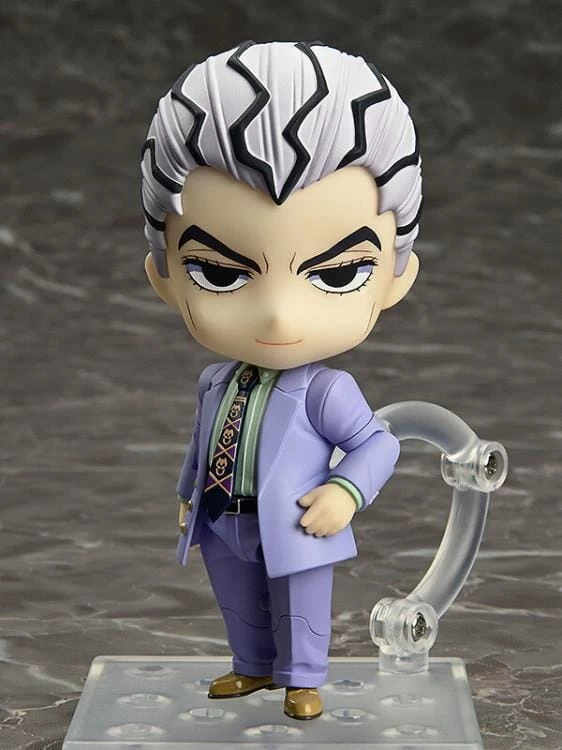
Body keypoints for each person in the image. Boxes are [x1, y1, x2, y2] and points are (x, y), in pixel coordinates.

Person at [140, 40, 422, 721]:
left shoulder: (326, 391)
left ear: (396, 277)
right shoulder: (214, 380)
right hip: (222, 516)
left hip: (296, 521)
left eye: (337, 273)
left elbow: (378, 442)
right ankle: (251, 665)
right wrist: (186, 494)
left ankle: (302, 676)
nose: (277, 314)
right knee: (237, 598)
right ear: (163, 276)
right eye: (219, 272)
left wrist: (346, 491)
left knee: (300, 603)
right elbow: (201, 443)